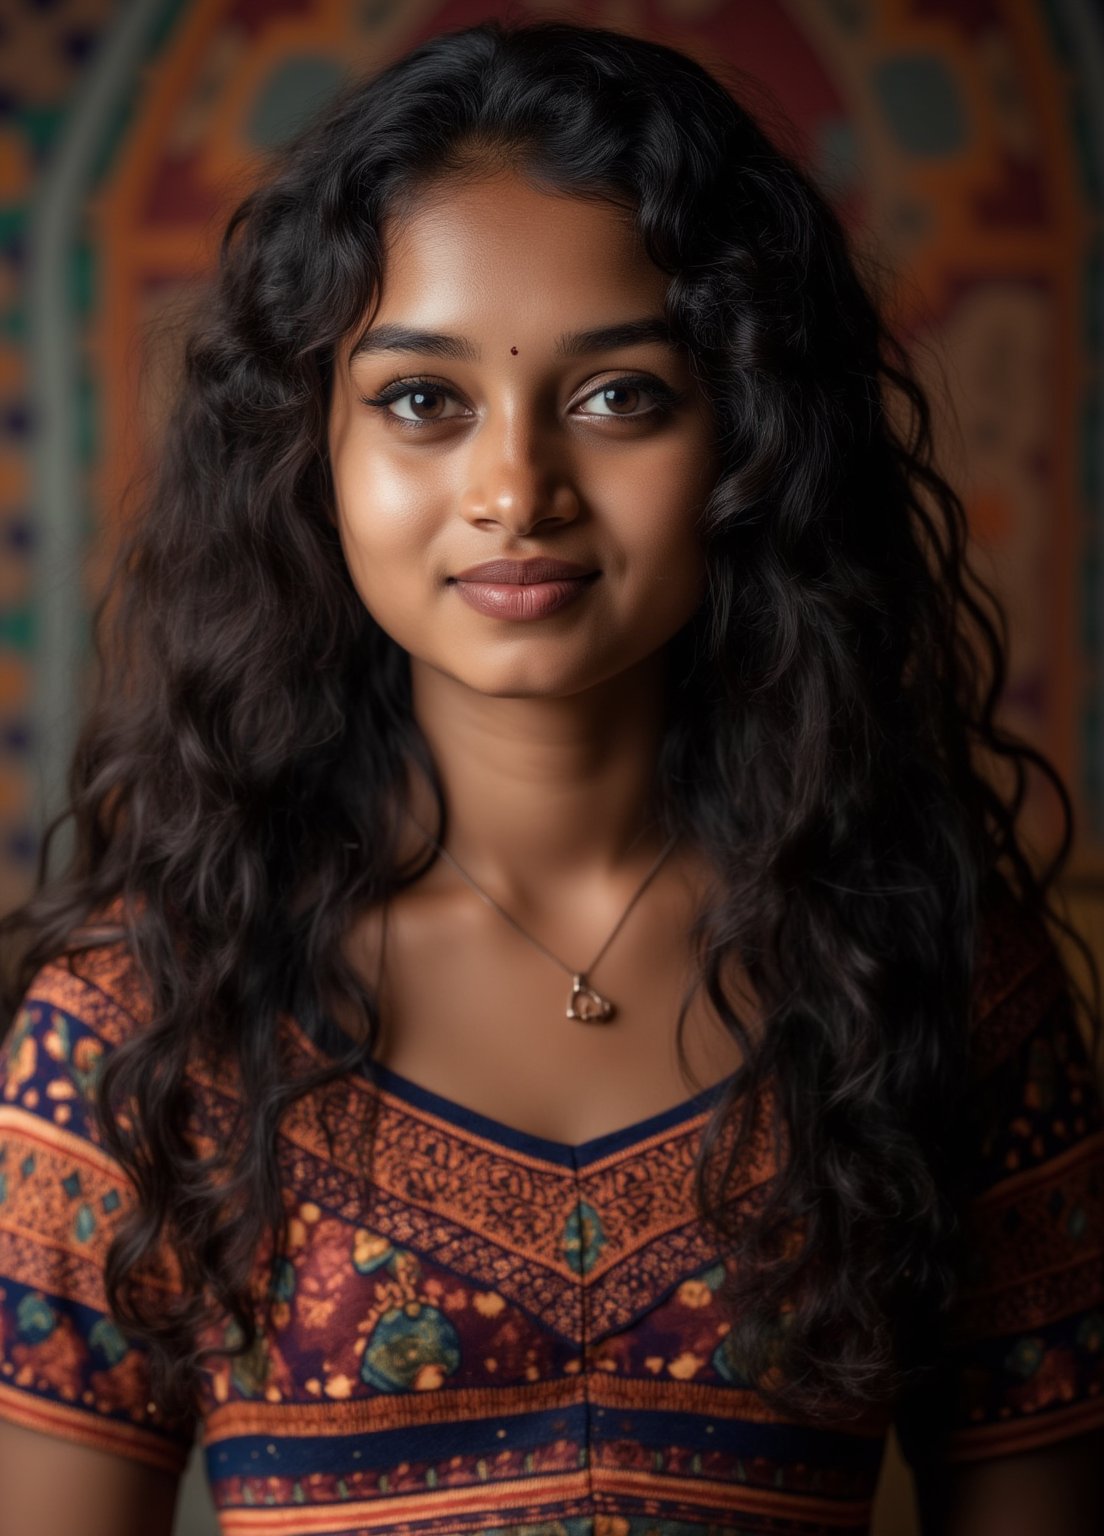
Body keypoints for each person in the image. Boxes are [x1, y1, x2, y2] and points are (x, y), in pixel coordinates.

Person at [0, 15, 1102, 1535]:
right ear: (310, 453)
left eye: (618, 396)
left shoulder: (926, 975)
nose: (516, 489)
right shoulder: (154, 1016)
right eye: (421, 401)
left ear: (752, 439)